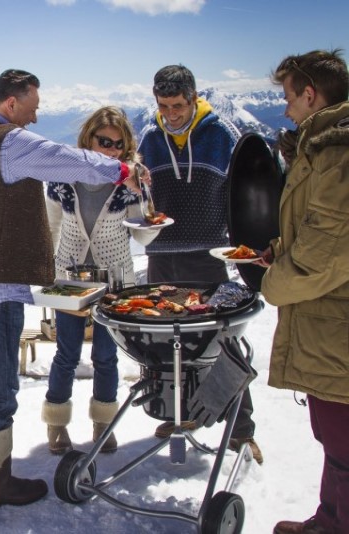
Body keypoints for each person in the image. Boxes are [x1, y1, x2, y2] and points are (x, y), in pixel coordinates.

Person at [0, 69, 145, 507]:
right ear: (11, 103)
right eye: (32, 106)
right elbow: (69, 160)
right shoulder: (8, 142)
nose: (36, 115)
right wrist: (121, 167)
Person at [137, 64, 263, 464]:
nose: (171, 114)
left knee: (223, 341)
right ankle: (181, 414)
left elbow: (242, 197)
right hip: (161, 256)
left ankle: (242, 429)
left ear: (194, 99)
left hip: (209, 256)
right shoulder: (150, 138)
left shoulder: (221, 135)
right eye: (163, 106)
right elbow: (143, 197)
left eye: (178, 105)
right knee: (169, 342)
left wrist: (248, 250)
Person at [259, 49, 349, 534]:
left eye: (289, 97)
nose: (286, 108)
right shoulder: (322, 147)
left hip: (337, 323)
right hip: (327, 321)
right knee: (335, 436)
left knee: (345, 438)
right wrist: (279, 249)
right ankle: (328, 521)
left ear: (310, 94)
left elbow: (328, 252)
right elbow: (316, 229)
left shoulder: (338, 154)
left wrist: (276, 282)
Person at [42, 106, 161, 455]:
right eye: (103, 141)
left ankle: (103, 425)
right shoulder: (63, 176)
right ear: (87, 138)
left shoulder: (130, 181)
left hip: (115, 280)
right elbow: (50, 227)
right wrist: (41, 271)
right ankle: (57, 425)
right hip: (68, 275)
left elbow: (142, 236)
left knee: (106, 356)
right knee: (66, 354)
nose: (109, 149)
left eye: (116, 145)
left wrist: (149, 213)